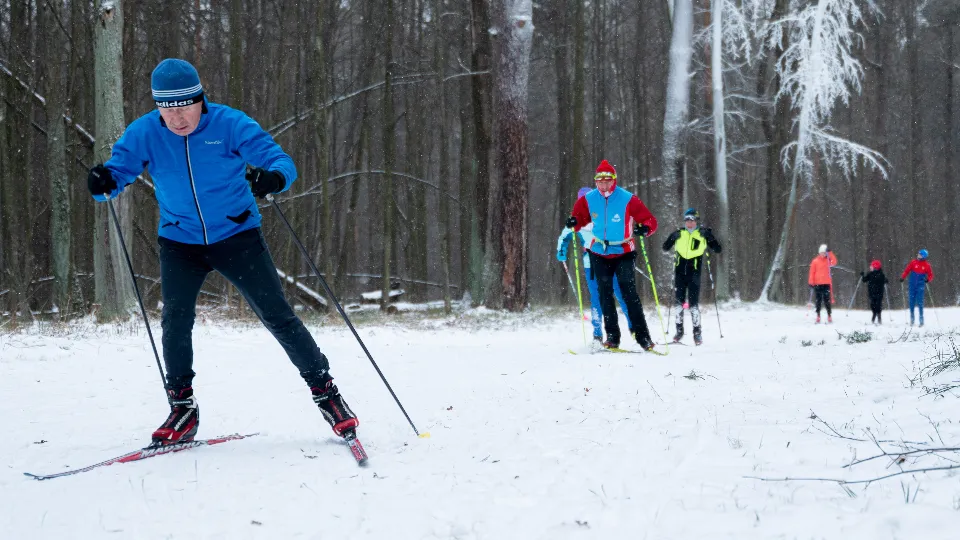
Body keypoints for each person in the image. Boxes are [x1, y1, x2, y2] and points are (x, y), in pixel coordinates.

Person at [86, 58, 358, 445]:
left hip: (237, 236)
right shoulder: (145, 132)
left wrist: (274, 177)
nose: (176, 118)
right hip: (180, 240)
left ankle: (327, 393)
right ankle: (182, 408)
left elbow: (281, 161)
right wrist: (104, 180)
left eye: (183, 107)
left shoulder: (231, 124)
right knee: (175, 320)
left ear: (200, 100)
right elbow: (118, 172)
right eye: (167, 108)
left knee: (277, 316)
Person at [566, 160, 658, 350]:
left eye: (607, 181)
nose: (604, 185)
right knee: (604, 295)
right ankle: (613, 337)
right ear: (596, 182)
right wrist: (574, 221)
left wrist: (644, 229)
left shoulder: (627, 198)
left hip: (623, 250)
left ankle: (643, 337)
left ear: (614, 181)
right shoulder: (588, 199)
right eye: (600, 182)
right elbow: (579, 219)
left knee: (628, 292)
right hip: (599, 252)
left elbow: (650, 220)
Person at [557, 187, 633, 345]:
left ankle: (635, 330)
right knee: (597, 298)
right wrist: (561, 251)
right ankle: (597, 334)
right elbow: (564, 237)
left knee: (621, 294)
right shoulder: (577, 221)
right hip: (591, 264)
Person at [661, 208, 722, 345]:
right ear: (685, 221)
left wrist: (710, 237)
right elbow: (665, 248)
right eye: (687, 220)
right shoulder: (679, 233)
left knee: (693, 305)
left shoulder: (702, 234)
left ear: (696, 221)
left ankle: (697, 333)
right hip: (679, 273)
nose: (690, 223)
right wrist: (672, 238)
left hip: (694, 272)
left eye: (692, 220)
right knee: (678, 304)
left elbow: (718, 249)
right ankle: (679, 331)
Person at [900, 249, 934, 327]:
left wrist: (927, 279)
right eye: (918, 254)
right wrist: (903, 277)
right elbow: (907, 270)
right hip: (912, 285)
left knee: (920, 302)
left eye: (920, 255)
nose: (918, 255)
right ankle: (912, 319)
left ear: (924, 256)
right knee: (911, 302)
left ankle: (921, 320)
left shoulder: (926, 265)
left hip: (920, 286)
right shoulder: (913, 262)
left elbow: (930, 275)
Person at [808, 244, 837, 324]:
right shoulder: (815, 261)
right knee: (818, 300)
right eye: (822, 252)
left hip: (826, 283)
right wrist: (811, 282)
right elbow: (812, 273)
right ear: (819, 253)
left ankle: (829, 315)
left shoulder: (828, 260)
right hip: (817, 284)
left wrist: (830, 253)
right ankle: (818, 315)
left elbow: (834, 262)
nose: (823, 254)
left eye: (824, 253)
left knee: (827, 300)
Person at [860, 260, 888, 325]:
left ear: (875, 267)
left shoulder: (881, 274)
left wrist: (885, 280)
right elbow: (864, 280)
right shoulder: (870, 274)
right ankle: (874, 314)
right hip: (872, 293)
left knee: (878, 305)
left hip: (879, 293)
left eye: (871, 266)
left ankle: (879, 316)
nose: (870, 267)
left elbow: (884, 280)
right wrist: (862, 275)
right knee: (873, 305)